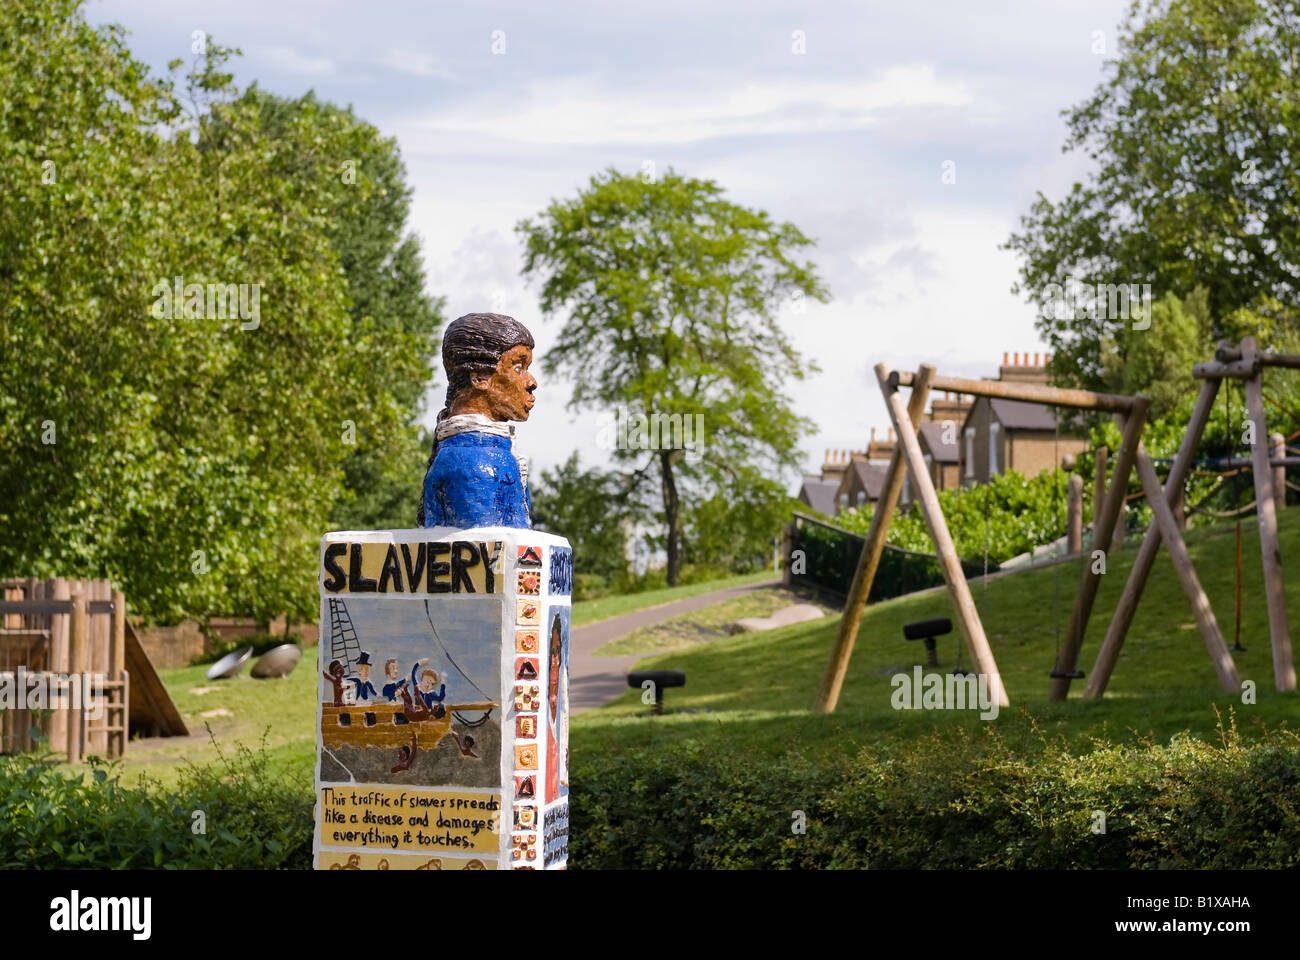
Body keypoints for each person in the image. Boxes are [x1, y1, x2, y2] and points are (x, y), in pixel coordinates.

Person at [417, 313, 537, 529]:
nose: (531, 382)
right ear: (480, 378)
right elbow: (491, 558)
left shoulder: (492, 455)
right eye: (518, 368)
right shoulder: (475, 465)